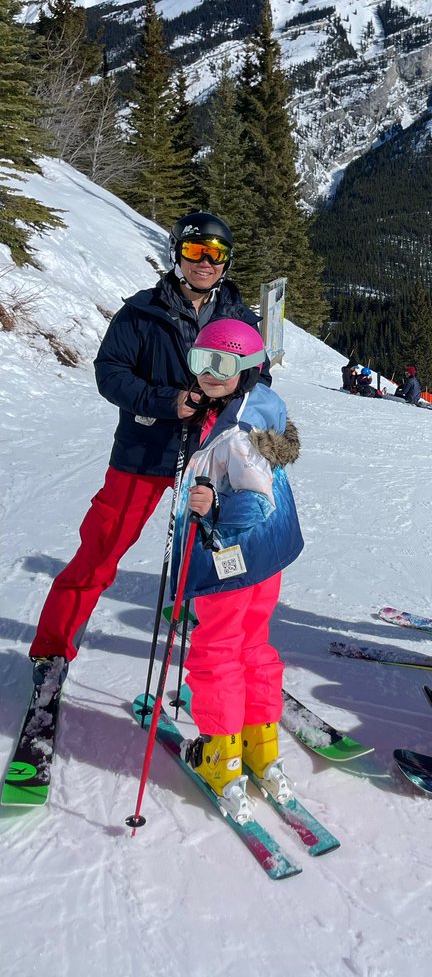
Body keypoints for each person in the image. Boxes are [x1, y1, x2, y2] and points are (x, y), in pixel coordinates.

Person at [29, 212, 266, 676]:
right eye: (195, 250)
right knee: (99, 551)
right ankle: (53, 649)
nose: (205, 262)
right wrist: (168, 401)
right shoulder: (141, 312)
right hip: (143, 452)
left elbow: (259, 374)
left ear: (226, 261)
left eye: (215, 253)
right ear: (176, 254)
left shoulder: (240, 317)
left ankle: (221, 648)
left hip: (211, 457)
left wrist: (227, 396)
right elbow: (110, 373)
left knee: (219, 554)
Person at [173, 319, 303, 813]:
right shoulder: (260, 406)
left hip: (230, 558)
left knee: (217, 649)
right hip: (266, 560)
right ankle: (260, 746)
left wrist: (215, 506)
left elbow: (255, 501)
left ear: (246, 369)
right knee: (252, 645)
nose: (208, 372)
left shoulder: (238, 436)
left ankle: (220, 756)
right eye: (200, 360)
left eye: (221, 363)